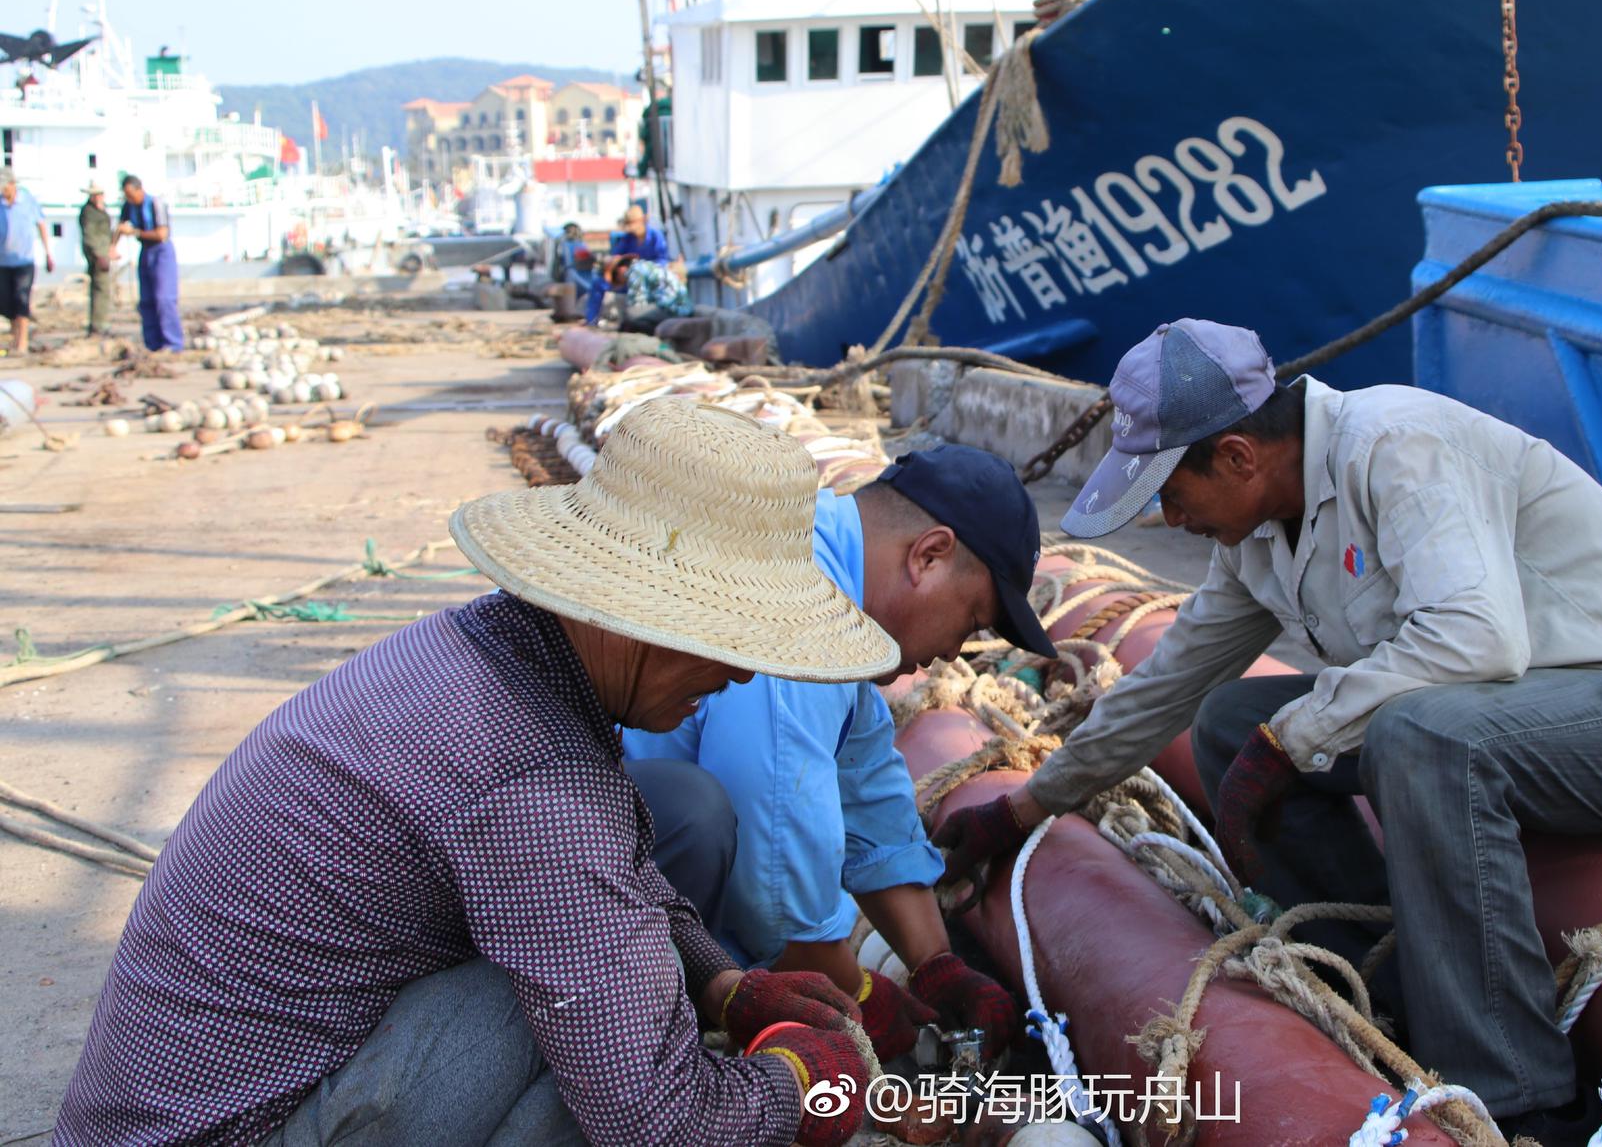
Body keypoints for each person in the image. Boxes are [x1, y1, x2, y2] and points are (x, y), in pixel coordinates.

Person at [932, 319, 1602, 1147]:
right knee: (1225, 720)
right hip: (1507, 710)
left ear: (1240, 457)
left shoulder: (1396, 445)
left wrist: (1295, 738)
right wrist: (1029, 806)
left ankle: (1521, 1096)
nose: (1171, 521)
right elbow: (1164, 686)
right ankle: (1376, 988)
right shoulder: (1255, 536)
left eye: (1171, 495)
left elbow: (1476, 638)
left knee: (1418, 739)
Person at [56, 399, 904, 1147]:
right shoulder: (530, 782)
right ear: (641, 616)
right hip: (229, 1128)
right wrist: (799, 1087)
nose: (742, 676)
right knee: (592, 1027)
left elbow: (622, 870)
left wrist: (721, 983)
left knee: (630, 920)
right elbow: (661, 1122)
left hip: (189, 1093)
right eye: (728, 645)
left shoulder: (496, 649)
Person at [624, 446, 1053, 1064]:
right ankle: (663, 1012)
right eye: (970, 620)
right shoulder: (801, 597)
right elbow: (771, 862)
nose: (954, 653)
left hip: (632, 816)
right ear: (928, 556)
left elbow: (867, 790)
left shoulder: (833, 581)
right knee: (700, 814)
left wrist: (936, 965)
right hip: (565, 832)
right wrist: (856, 993)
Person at [116, 174, 183, 351]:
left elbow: (162, 234)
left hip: (161, 251)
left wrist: (136, 232)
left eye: (131, 194)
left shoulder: (155, 204)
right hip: (145, 251)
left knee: (164, 298)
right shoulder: (128, 206)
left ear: (140, 190)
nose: (129, 199)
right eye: (126, 196)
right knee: (146, 300)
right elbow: (120, 226)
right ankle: (153, 344)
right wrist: (112, 247)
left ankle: (172, 343)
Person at [0, 168, 54, 356]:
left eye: (4, 187)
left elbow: (41, 225)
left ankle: (22, 344)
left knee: (21, 299)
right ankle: (16, 339)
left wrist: (48, 253)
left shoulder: (27, 201)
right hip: (2, 262)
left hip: (24, 261)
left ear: (12, 184)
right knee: (6, 304)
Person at [587, 205, 671, 324]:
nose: (630, 227)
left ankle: (638, 322)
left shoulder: (655, 237)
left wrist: (642, 269)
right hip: (628, 280)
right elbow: (615, 257)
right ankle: (592, 320)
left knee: (637, 305)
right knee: (598, 283)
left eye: (632, 223)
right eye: (628, 223)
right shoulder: (628, 238)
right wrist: (612, 265)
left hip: (648, 281)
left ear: (642, 221)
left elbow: (662, 261)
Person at [602, 252, 694, 330]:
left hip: (674, 309)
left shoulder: (635, 271)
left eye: (615, 277)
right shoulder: (645, 265)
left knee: (631, 315)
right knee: (634, 317)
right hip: (680, 306)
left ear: (620, 269)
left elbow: (636, 303)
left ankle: (652, 340)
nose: (620, 281)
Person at [77, 180, 116, 336]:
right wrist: (99, 255)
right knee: (100, 288)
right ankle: (98, 325)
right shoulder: (88, 212)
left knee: (103, 289)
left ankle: (100, 322)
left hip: (104, 251)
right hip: (97, 255)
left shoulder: (101, 210)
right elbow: (89, 236)